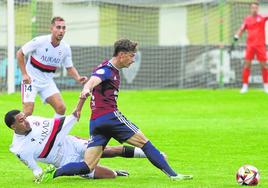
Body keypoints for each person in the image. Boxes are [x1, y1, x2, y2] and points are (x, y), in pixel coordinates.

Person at [41, 39, 193, 182]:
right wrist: (87, 88)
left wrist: (79, 107)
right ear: (121, 55)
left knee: (88, 166)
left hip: (96, 122)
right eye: (132, 56)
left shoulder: (107, 68)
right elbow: (92, 82)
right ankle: (174, 175)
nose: (133, 60)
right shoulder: (107, 70)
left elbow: (90, 83)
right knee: (145, 143)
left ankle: (54, 172)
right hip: (110, 117)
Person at [4, 106, 148, 183]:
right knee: (109, 176)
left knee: (109, 150)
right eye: (21, 121)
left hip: (71, 144)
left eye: (25, 117)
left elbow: (56, 126)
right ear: (13, 127)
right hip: (65, 162)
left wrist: (73, 114)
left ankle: (150, 154)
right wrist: (39, 175)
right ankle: (116, 172)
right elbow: (35, 170)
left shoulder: (34, 119)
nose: (27, 121)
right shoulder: (19, 149)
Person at [16, 16, 87, 117]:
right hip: (30, 81)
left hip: (47, 82)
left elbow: (69, 67)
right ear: (51, 28)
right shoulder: (40, 41)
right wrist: (24, 74)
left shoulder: (65, 48)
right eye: (58, 27)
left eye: (63, 28)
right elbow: (20, 53)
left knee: (61, 108)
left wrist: (78, 78)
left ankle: (54, 132)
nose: (61, 31)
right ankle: (19, 132)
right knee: (28, 112)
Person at [234, 2, 268, 93]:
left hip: (261, 46)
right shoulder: (247, 19)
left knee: (264, 65)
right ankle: (245, 87)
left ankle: (266, 86)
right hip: (250, 46)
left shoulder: (262, 18)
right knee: (247, 65)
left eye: (256, 8)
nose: (255, 9)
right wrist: (237, 35)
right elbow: (241, 29)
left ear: (258, 9)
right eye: (253, 8)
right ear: (250, 9)